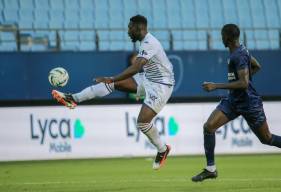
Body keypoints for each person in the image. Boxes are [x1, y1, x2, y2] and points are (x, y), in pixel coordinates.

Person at [52, 15, 175, 170]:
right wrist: (113, 80)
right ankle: (72, 98)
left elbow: (136, 68)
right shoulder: (145, 42)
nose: (128, 31)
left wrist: (112, 78)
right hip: (149, 78)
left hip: (162, 85)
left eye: (130, 28)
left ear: (139, 28)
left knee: (142, 122)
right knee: (112, 84)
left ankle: (163, 149)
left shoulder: (150, 43)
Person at [191, 24, 281, 182]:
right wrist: (244, 79)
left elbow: (244, 83)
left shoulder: (237, 55)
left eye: (222, 35)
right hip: (233, 100)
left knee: (267, 139)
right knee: (209, 126)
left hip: (249, 103)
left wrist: (216, 86)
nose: (221, 38)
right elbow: (256, 66)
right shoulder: (241, 50)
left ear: (228, 37)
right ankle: (211, 168)